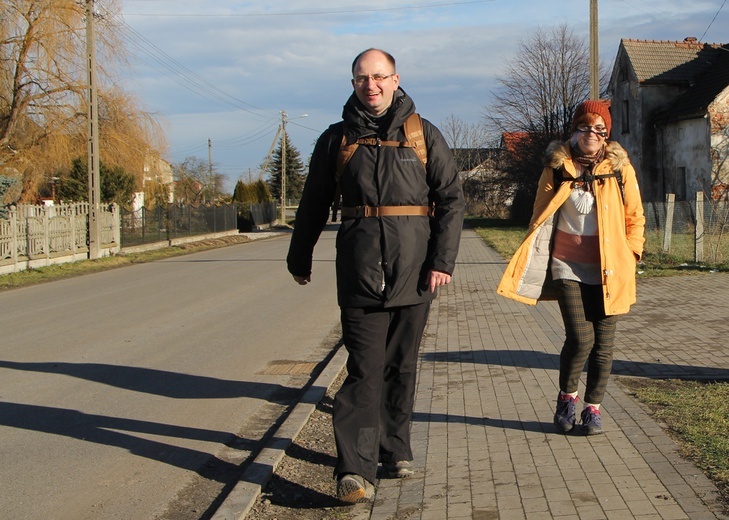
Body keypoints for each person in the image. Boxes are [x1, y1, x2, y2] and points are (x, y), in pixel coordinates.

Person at [287, 48, 464, 502]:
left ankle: (395, 449)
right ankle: (356, 472)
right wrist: (299, 256)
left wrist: (442, 261)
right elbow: (313, 202)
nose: (372, 85)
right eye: (362, 78)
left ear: (395, 79)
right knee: (364, 372)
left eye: (379, 77)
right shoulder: (336, 140)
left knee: (400, 367)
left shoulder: (423, 135)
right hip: (360, 273)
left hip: (416, 273)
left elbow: (451, 200)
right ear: (353, 84)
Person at [497, 100, 645, 436]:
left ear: (606, 135)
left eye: (598, 129)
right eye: (584, 127)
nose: (590, 134)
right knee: (580, 338)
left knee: (604, 344)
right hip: (567, 265)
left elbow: (635, 217)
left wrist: (631, 254)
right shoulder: (556, 166)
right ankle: (567, 397)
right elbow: (540, 214)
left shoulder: (620, 169)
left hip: (610, 269)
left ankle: (593, 408)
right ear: (573, 130)